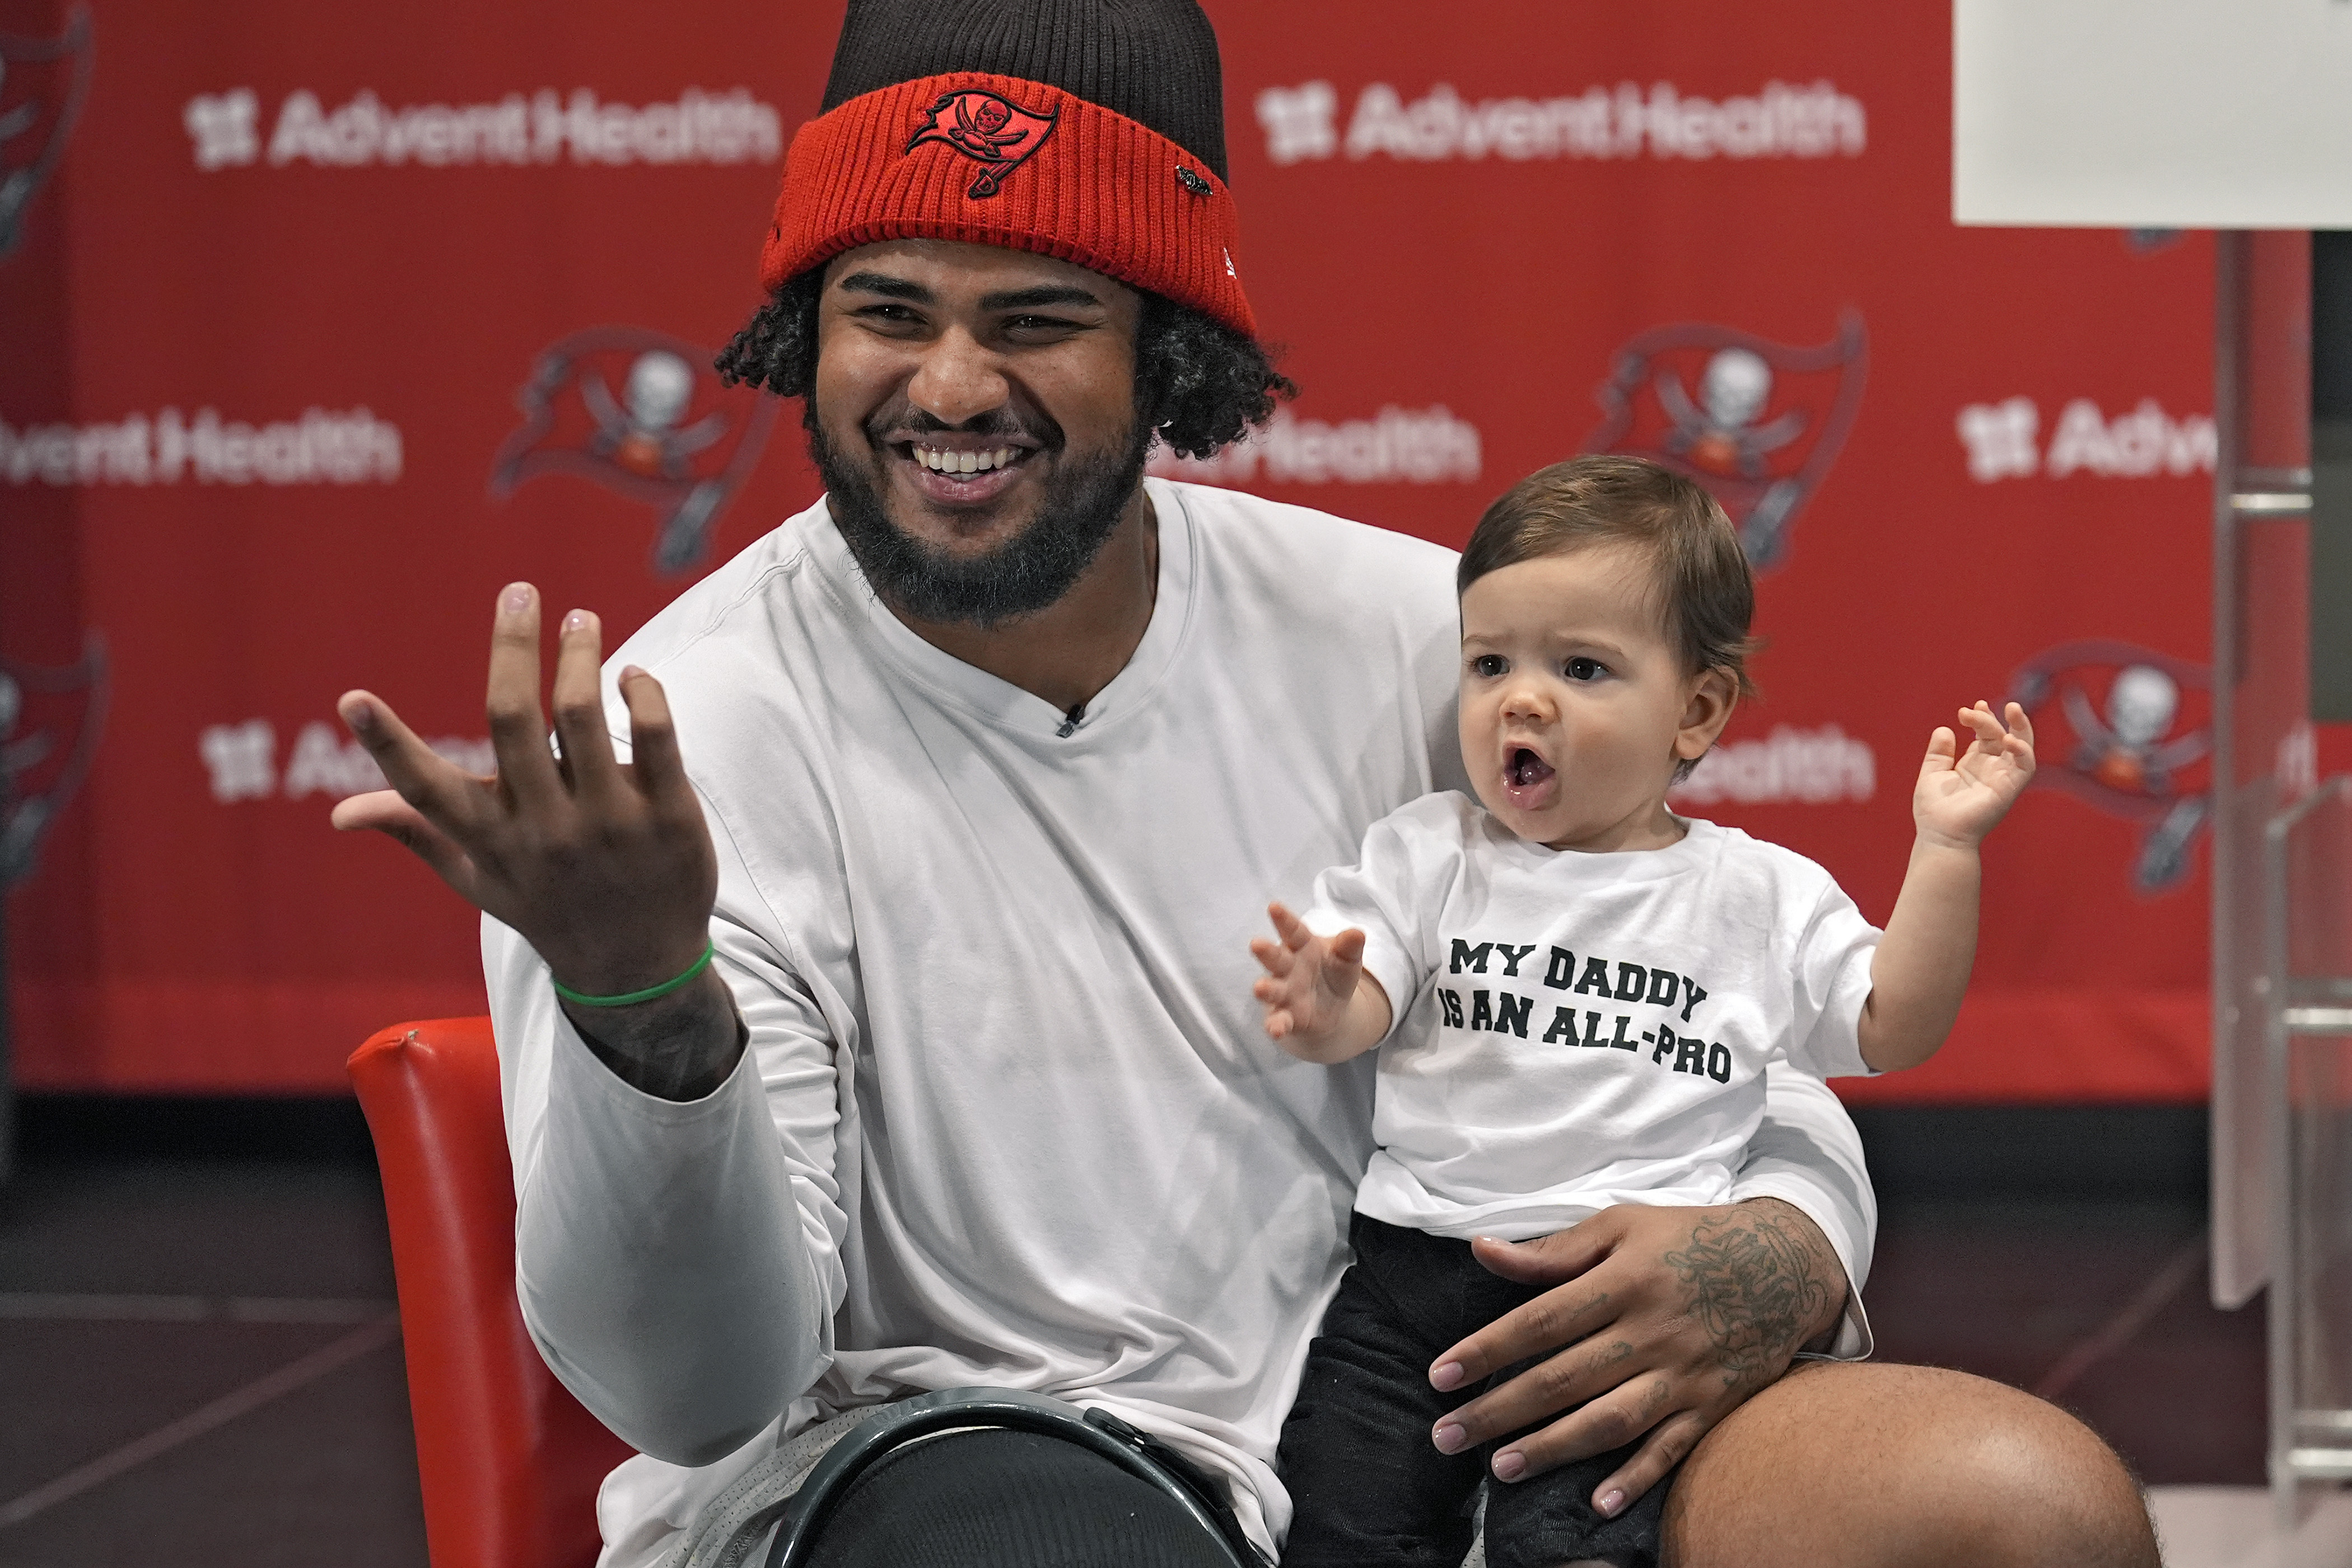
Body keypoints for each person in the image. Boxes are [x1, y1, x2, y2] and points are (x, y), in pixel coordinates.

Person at [329, 3, 2161, 1564]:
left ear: (1167, 355)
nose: (949, 382)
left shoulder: (1409, 639)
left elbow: (1697, 995)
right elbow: (696, 1391)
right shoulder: (683, 733)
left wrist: (1787, 1237)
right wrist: (643, 1004)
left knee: (2020, 1508)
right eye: (887, 308)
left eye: (1038, 316)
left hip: (1414, 1414)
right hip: (937, 1464)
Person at [1251, 456, 2036, 1568]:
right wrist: (1327, 1000)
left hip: (1620, 1306)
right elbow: (1361, 1005)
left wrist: (1946, 849)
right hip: (1406, 1283)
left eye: (1582, 666)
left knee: (1578, 1542)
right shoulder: (1428, 851)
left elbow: (1891, 1024)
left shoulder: (1753, 895)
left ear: (1697, 710)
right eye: (1489, 662)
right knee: (1341, 1522)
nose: (1521, 698)